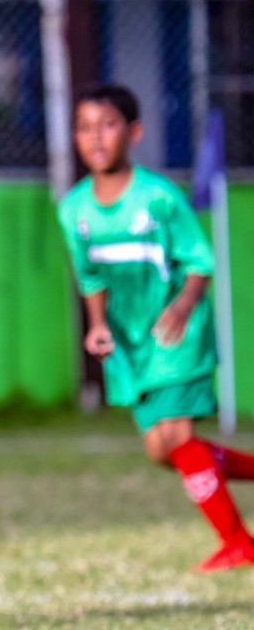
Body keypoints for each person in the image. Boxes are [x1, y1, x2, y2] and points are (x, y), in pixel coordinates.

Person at [59, 82, 254, 573]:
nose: (96, 137)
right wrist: (97, 326)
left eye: (108, 125)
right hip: (133, 343)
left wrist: (185, 305)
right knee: (162, 451)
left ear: (134, 132)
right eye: (85, 127)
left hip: (177, 334)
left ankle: (239, 544)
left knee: (179, 438)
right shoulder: (74, 209)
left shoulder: (158, 197)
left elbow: (199, 261)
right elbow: (91, 276)